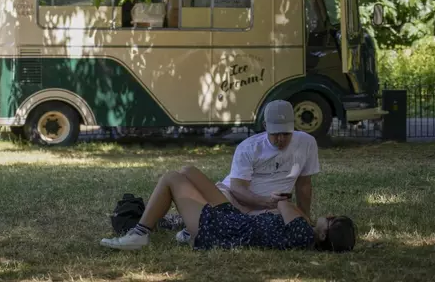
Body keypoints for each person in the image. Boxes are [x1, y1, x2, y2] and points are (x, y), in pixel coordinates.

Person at [100, 165, 356, 252]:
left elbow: (283, 203)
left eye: (332, 221)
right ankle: (187, 229)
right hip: (234, 220)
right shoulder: (302, 230)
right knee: (188, 171)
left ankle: (139, 233)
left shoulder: (302, 231)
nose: (329, 216)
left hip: (222, 230)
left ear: (323, 235)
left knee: (171, 178)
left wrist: (291, 207)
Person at [172, 99, 321, 242]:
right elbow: (237, 188)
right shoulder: (249, 147)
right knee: (213, 214)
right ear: (265, 126)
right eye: (275, 133)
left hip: (268, 208)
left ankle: (183, 222)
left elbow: (304, 184)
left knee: (275, 224)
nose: (281, 139)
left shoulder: (307, 143)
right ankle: (184, 223)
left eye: (286, 133)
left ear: (293, 126)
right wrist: (266, 202)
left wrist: (305, 218)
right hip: (233, 197)